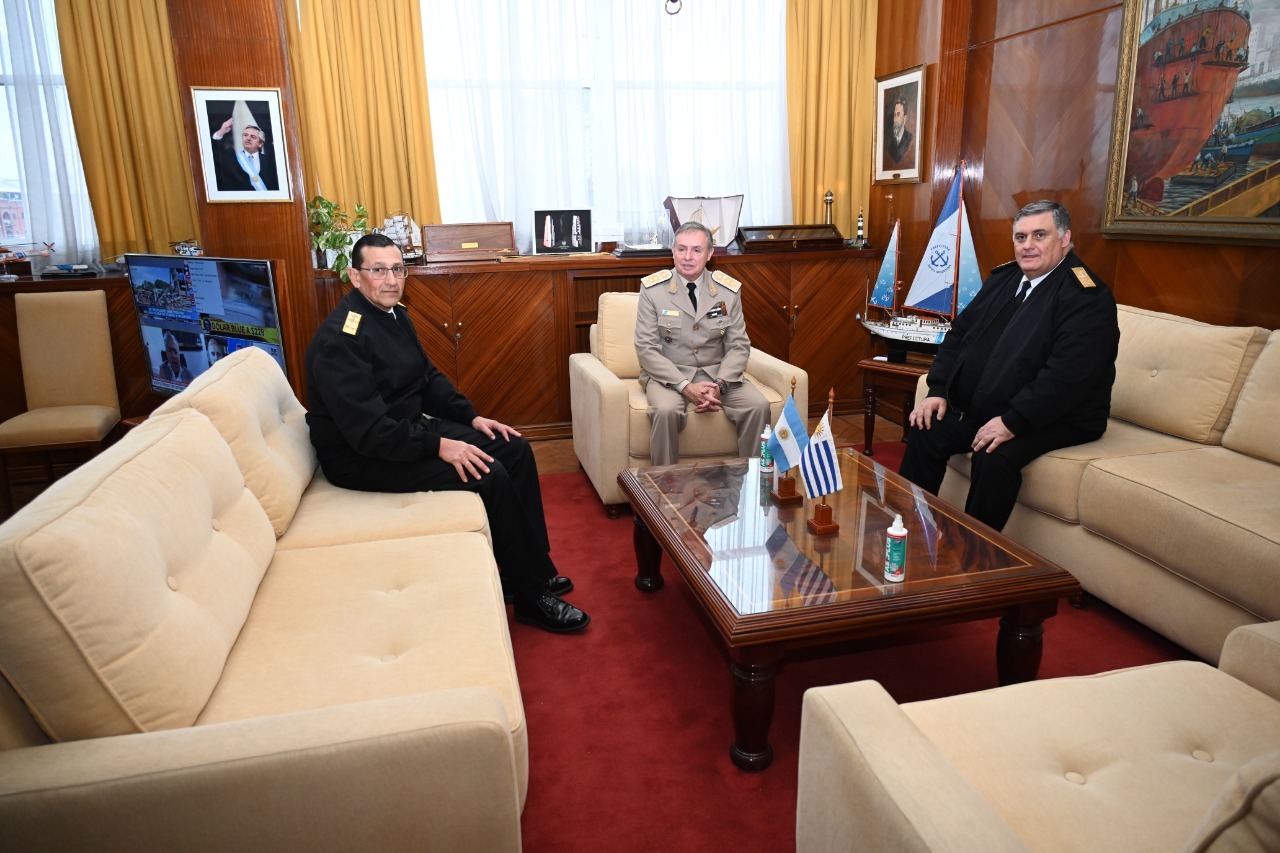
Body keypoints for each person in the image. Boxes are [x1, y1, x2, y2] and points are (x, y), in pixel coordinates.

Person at [305, 233, 589, 633]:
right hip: (360, 456)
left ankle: (528, 571)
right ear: (355, 276)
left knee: (514, 448)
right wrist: (438, 445)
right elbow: (368, 433)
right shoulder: (341, 340)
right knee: (487, 472)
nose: (391, 280)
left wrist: (471, 418)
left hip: (403, 430)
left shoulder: (393, 315)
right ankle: (530, 598)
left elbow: (426, 379)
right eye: (378, 270)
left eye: (397, 269)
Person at [897, 200, 1119, 531]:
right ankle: (905, 529)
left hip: (1057, 417)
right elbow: (959, 334)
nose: (1028, 245)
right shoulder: (1005, 278)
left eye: (1040, 235)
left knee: (993, 456)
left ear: (1064, 238)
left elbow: (1067, 377)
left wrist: (1013, 421)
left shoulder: (1085, 297)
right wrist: (938, 390)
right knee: (926, 427)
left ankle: (974, 551)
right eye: (1020, 237)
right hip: (988, 408)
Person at [634, 221, 769, 467]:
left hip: (718, 373)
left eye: (696, 250)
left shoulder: (727, 291)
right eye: (681, 249)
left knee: (758, 406)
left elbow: (738, 345)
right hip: (669, 376)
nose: (687, 257)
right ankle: (665, 485)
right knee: (665, 411)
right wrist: (685, 386)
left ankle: (752, 483)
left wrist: (721, 384)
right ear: (673, 251)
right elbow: (646, 348)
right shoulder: (653, 290)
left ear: (709, 254)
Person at [210, 115, 279, 192]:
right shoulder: (231, 157)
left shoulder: (270, 160)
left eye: (253, 137)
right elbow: (213, 153)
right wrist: (221, 131)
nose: (248, 138)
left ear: (260, 143)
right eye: (245, 135)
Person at [885, 94, 914, 167]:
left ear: (904, 118)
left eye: (898, 114)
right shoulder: (890, 145)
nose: (895, 120)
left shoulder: (910, 139)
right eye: (894, 115)